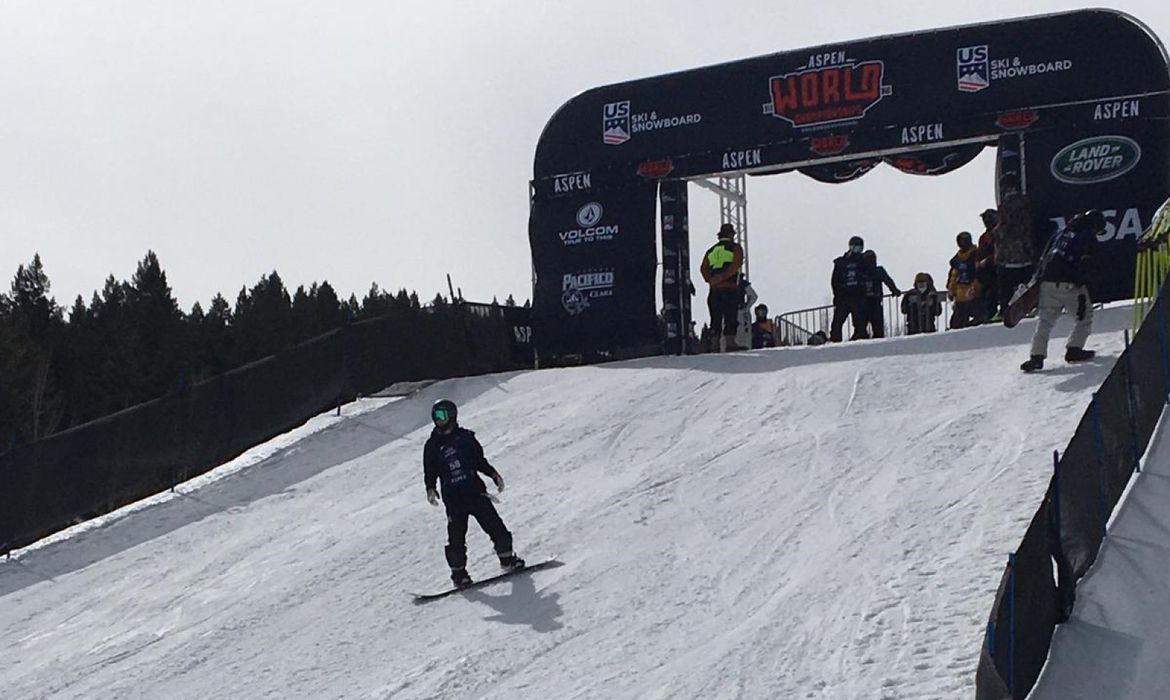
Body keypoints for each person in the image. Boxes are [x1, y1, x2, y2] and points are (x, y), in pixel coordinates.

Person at [423, 399, 524, 587]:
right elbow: (430, 469)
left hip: (475, 492)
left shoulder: (466, 438)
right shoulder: (432, 445)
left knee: (494, 525)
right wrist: (430, 487)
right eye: (436, 416)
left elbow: (479, 460)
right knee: (456, 537)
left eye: (442, 416)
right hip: (453, 498)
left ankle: (507, 559)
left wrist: (493, 474)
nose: (439, 420)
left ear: (452, 416)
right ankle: (459, 574)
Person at [1020, 210, 1105, 372]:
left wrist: (1037, 279)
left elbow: (1045, 256)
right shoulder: (1087, 237)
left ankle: (1036, 357)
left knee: (1045, 321)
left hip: (1047, 281)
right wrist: (1081, 286)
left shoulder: (1061, 233)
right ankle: (1074, 349)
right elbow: (1086, 264)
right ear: (1095, 226)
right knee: (1084, 317)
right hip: (1069, 283)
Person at [700, 223, 745, 352]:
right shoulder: (735, 248)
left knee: (715, 316)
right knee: (730, 315)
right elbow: (736, 264)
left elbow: (703, 268)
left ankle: (714, 344)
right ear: (731, 235)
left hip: (714, 289)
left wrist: (711, 280)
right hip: (730, 287)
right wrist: (723, 277)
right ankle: (730, 343)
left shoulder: (711, 250)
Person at [994, 191, 1038, 317]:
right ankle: (1029, 308)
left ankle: (1005, 310)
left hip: (1009, 258)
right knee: (1027, 285)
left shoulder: (1004, 207)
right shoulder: (1027, 204)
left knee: (1006, 289)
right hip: (1025, 254)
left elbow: (1001, 229)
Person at [829, 235, 869, 342]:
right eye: (855, 247)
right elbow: (834, 281)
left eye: (859, 248)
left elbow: (868, 275)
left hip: (858, 297)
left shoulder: (863, 261)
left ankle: (860, 340)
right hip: (844, 297)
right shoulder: (841, 262)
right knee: (837, 323)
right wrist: (837, 295)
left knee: (860, 323)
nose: (857, 250)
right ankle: (835, 342)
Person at [947, 231, 985, 329]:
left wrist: (976, 287)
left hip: (974, 293)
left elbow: (980, 273)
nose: (963, 244)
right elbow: (954, 275)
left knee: (978, 321)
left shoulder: (976, 255)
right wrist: (951, 290)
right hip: (960, 294)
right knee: (956, 325)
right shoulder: (956, 259)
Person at [860, 250, 900, 338]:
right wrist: (894, 290)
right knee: (862, 329)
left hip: (872, 302)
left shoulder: (876, 271)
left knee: (875, 329)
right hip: (865, 303)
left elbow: (888, 281)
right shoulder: (863, 272)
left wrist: (894, 290)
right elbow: (888, 280)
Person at [976, 208, 999, 321]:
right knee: (986, 292)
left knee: (994, 291)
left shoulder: (999, 233)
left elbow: (1001, 251)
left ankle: (994, 313)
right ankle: (987, 314)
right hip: (986, 271)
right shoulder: (983, 237)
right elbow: (979, 253)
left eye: (987, 218)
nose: (985, 221)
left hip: (997, 268)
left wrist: (988, 260)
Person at [735, 278, 759, 351]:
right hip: (737, 311)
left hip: (738, 311)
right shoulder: (742, 283)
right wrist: (747, 307)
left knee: (742, 333)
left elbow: (753, 296)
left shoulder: (742, 283)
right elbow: (753, 296)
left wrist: (746, 308)